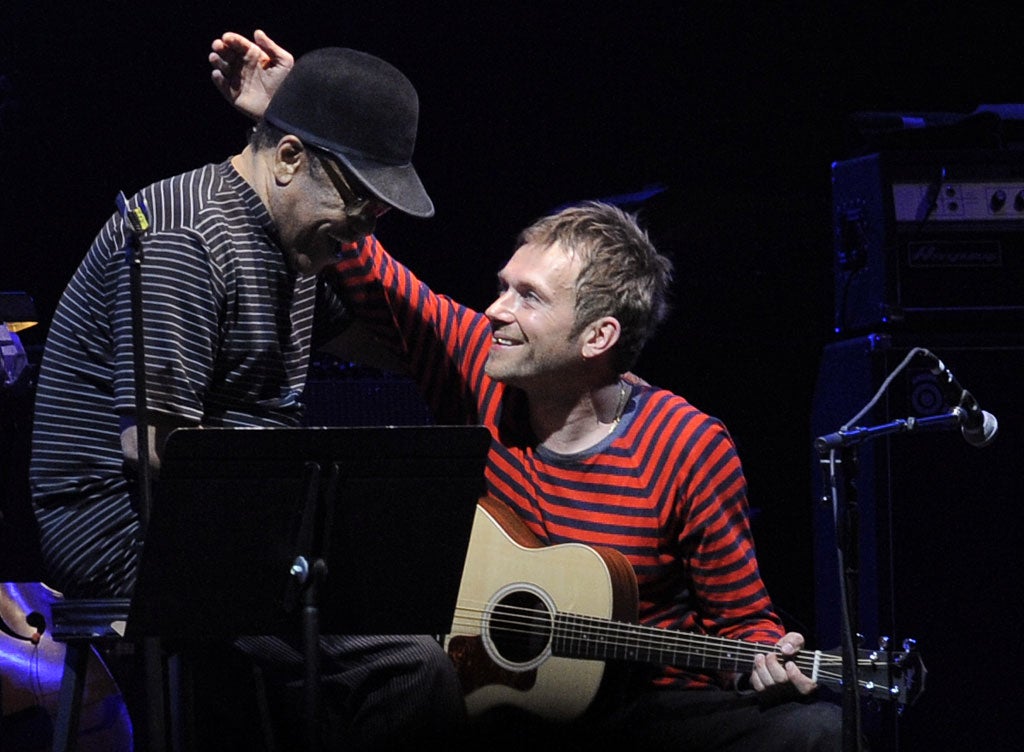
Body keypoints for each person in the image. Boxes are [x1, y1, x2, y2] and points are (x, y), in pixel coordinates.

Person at [210, 31, 845, 752]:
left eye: (528, 298)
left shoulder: (688, 445)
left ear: (597, 338)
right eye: (503, 287)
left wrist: (765, 658)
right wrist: (297, 116)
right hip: (499, 703)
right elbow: (364, 262)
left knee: (818, 731)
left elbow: (746, 623)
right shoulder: (476, 363)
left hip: (645, 715)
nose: (495, 311)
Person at [30, 42, 464, 751]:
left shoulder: (286, 243)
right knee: (407, 667)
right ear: (289, 159)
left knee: (420, 611)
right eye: (358, 205)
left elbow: (391, 341)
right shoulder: (189, 235)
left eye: (376, 217)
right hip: (128, 528)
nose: (361, 233)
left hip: (224, 517)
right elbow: (160, 452)